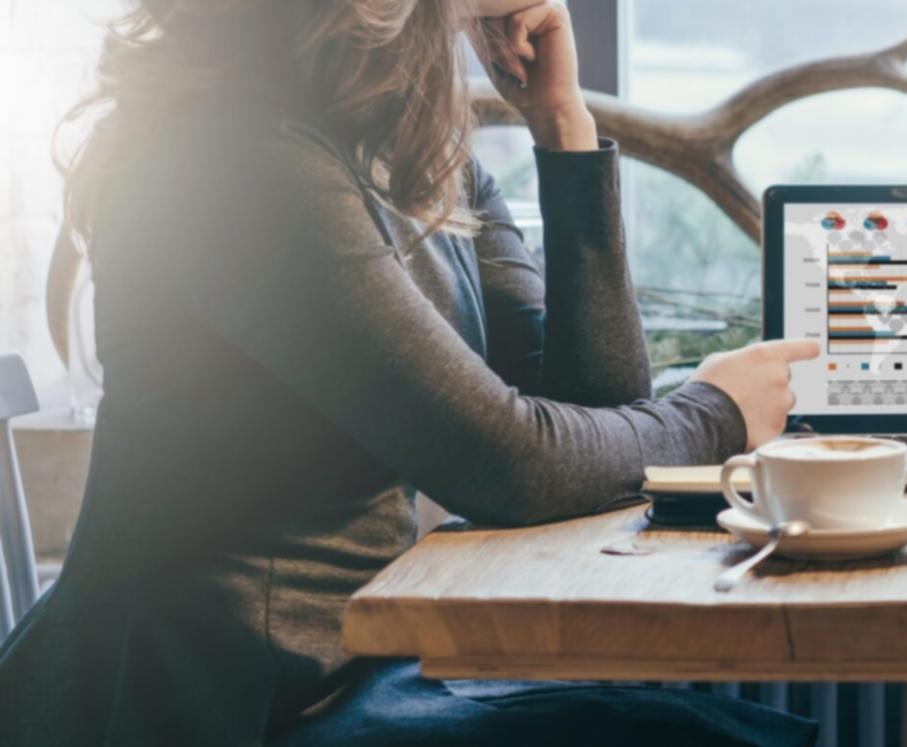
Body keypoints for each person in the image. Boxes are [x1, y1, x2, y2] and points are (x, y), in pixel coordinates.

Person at [0, 1, 817, 744]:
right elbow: (508, 464)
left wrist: (562, 123)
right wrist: (713, 413)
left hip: (345, 671)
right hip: (207, 699)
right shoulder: (237, 161)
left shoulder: (411, 151)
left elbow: (592, 412)